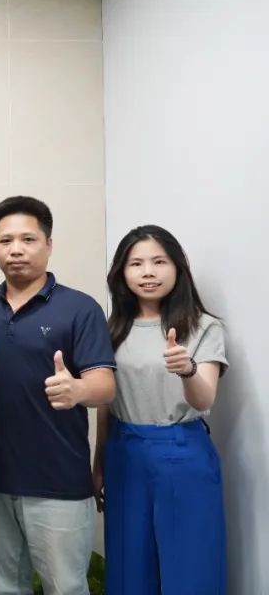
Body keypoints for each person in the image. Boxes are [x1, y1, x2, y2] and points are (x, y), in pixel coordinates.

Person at [0, 196, 115, 595]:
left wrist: (77, 389)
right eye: (5, 240)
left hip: (58, 481)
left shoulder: (80, 308)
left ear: (49, 244)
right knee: (4, 587)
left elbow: (105, 386)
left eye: (28, 239)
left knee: (65, 588)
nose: (15, 249)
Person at [94, 225, 227, 595]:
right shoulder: (111, 330)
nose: (148, 272)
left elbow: (204, 400)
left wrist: (188, 370)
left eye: (159, 262)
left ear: (178, 267)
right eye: (136, 264)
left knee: (191, 567)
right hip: (124, 454)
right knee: (129, 569)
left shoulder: (203, 326)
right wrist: (98, 463)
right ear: (121, 273)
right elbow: (105, 403)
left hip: (183, 453)